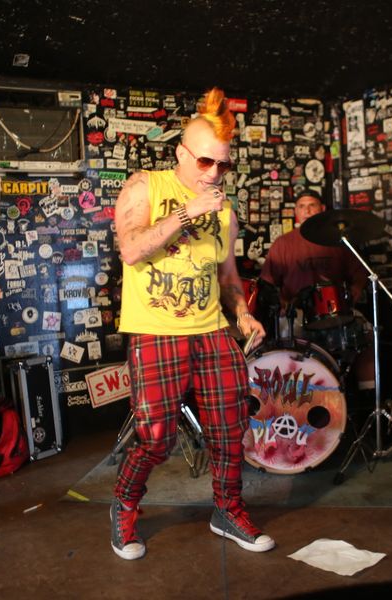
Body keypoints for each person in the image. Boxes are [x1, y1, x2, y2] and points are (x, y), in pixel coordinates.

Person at [112, 87, 273, 560]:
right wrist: (187, 213)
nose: (214, 173)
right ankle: (124, 505)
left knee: (229, 429)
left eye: (224, 165)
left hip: (211, 329)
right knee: (155, 439)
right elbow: (131, 249)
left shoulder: (225, 209)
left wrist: (242, 312)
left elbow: (227, 276)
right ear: (182, 153)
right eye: (205, 162)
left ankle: (227, 510)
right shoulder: (146, 186)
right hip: (156, 330)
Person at [259, 191, 374, 391]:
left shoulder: (337, 242)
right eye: (302, 206)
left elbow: (360, 274)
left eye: (312, 205)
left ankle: (369, 394)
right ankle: (296, 396)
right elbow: (267, 284)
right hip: (297, 314)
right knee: (286, 341)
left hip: (337, 311)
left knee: (367, 333)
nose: (307, 210)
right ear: (296, 212)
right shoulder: (283, 243)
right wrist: (283, 303)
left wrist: (355, 291)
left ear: (322, 209)